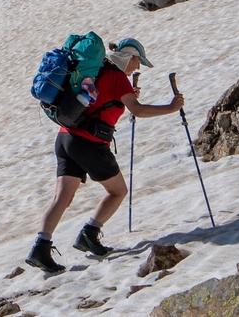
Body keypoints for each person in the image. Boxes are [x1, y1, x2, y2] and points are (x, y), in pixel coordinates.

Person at [26, 36, 183, 275]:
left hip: (65, 138)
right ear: (129, 56)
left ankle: (40, 248)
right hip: (90, 144)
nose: (137, 67)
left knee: (62, 198)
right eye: (137, 61)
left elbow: (100, 101)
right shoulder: (117, 77)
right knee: (118, 191)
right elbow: (138, 110)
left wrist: (127, 94)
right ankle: (89, 234)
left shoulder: (98, 72)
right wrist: (170, 108)